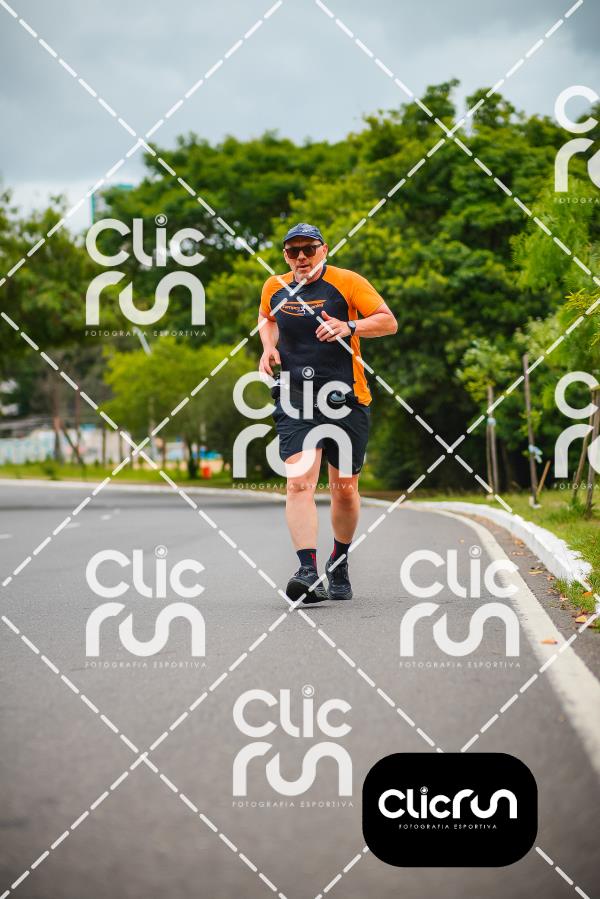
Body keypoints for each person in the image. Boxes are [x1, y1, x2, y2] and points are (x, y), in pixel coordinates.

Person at [258, 222, 397, 604]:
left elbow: (388, 322)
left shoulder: (347, 282)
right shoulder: (274, 287)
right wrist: (268, 347)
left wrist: (349, 326)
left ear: (324, 249)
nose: (301, 257)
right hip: (296, 397)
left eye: (309, 249)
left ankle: (339, 560)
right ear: (286, 255)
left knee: (345, 491)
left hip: (346, 398)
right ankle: (307, 570)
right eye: (293, 251)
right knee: (299, 482)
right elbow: (267, 319)